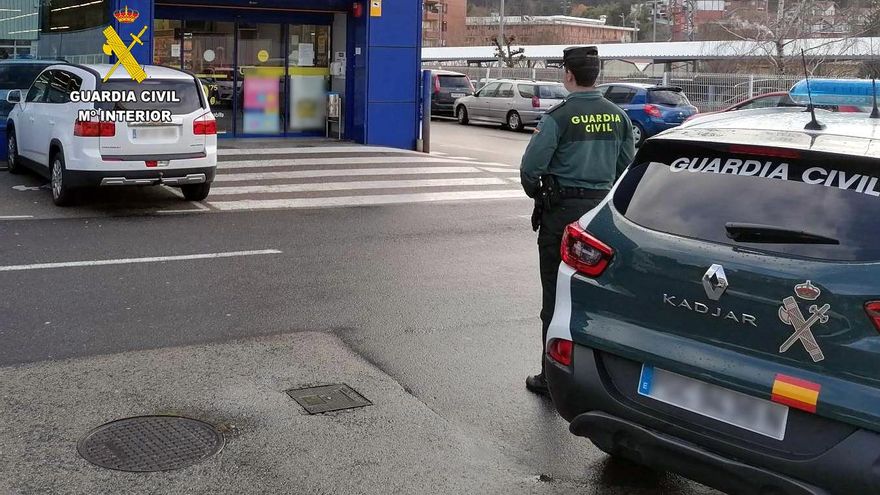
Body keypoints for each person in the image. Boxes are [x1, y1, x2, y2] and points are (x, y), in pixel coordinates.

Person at [520, 46, 636, 396]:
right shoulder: (619, 117)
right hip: (601, 220)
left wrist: (539, 196)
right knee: (600, 295)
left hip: (563, 216)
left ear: (568, 74)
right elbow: (626, 169)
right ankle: (606, 379)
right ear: (596, 74)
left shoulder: (560, 117)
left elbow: (530, 169)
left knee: (557, 295)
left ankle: (551, 376)